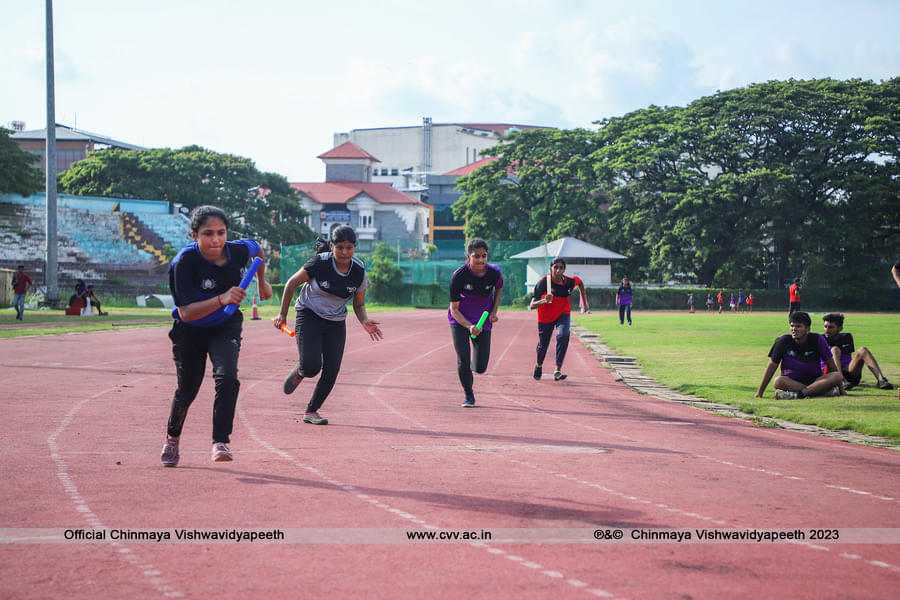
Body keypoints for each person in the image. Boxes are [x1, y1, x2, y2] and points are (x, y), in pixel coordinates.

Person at [160, 205, 272, 467]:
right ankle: (172, 438)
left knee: (228, 377)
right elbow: (186, 313)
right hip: (190, 330)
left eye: (221, 233)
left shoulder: (237, 251)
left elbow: (257, 249)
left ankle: (220, 441)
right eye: (208, 233)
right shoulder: (184, 263)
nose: (216, 240)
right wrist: (222, 298)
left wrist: (262, 282)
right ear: (194, 236)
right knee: (187, 390)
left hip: (225, 325)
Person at [274, 228, 383, 425]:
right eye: (339, 247)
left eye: (349, 248)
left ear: (354, 248)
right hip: (309, 315)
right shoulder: (320, 263)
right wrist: (282, 314)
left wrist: (364, 320)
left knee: (332, 368)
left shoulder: (358, 271)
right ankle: (301, 370)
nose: (344, 252)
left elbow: (358, 304)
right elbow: (291, 283)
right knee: (312, 366)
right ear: (332, 246)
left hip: (335, 322)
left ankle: (311, 411)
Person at [448, 238, 503, 407]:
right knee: (463, 358)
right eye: (476, 256)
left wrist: (494, 312)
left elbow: (499, 287)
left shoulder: (494, 273)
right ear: (468, 256)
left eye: (484, 256)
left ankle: (470, 368)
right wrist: (469, 326)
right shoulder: (459, 276)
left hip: (483, 320)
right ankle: (468, 394)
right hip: (460, 320)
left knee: (480, 368)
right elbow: (454, 309)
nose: (480, 260)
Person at [755, 311, 843, 399]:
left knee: (837, 375)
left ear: (808, 329)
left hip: (816, 381)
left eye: (798, 326)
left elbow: (831, 365)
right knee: (778, 381)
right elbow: (772, 366)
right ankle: (818, 392)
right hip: (792, 382)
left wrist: (841, 389)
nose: (794, 329)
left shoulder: (817, 339)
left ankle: (798, 395)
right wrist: (760, 392)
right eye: (792, 326)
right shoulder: (783, 341)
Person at [530, 257, 589, 381]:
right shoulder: (543, 283)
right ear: (551, 268)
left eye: (561, 268)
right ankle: (539, 365)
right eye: (555, 267)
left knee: (563, 336)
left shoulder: (569, 282)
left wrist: (584, 302)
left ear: (564, 270)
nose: (558, 270)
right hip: (545, 317)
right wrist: (544, 300)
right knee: (543, 345)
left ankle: (557, 369)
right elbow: (532, 305)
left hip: (563, 313)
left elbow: (580, 283)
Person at [821, 313, 892, 390]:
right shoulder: (820, 339)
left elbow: (848, 358)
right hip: (830, 372)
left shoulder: (846, 337)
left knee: (863, 350)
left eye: (831, 327)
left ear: (840, 328)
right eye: (825, 327)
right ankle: (841, 381)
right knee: (835, 350)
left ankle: (881, 380)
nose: (827, 330)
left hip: (848, 372)